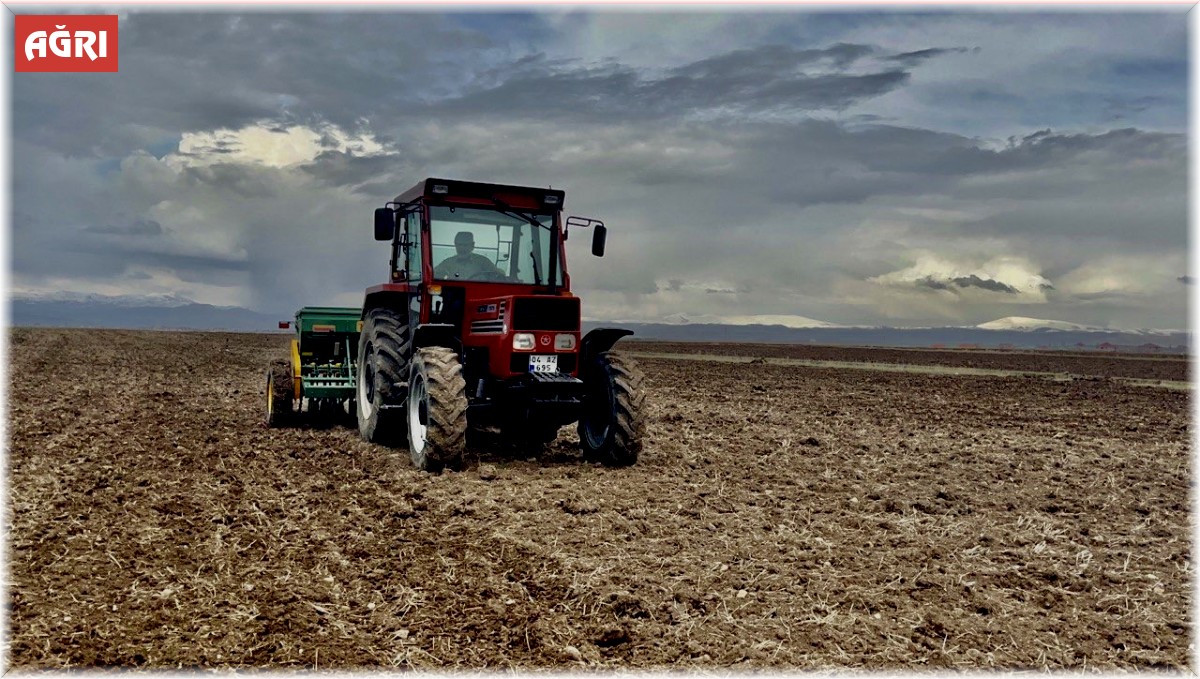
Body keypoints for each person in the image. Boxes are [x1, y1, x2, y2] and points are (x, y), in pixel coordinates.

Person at [434, 231, 507, 280]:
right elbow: (433, 274)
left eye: (465, 245)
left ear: (472, 245)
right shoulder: (448, 263)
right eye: (459, 245)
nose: (462, 248)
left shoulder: (483, 262)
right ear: (455, 245)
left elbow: (499, 275)